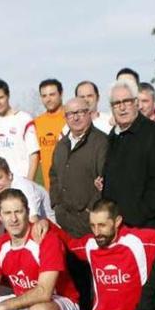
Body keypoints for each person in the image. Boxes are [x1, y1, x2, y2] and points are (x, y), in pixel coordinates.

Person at [101, 79, 155, 229]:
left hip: (146, 226)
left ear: (136, 102)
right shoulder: (112, 137)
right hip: (116, 228)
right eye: (117, 103)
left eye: (127, 101)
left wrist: (139, 215)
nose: (122, 108)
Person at [49, 97, 108, 238]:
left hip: (90, 224)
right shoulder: (61, 145)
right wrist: (56, 205)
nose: (75, 118)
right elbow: (54, 176)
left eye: (80, 112)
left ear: (89, 113)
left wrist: (90, 211)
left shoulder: (101, 142)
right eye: (70, 114)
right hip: (64, 221)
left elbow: (105, 181)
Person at [0, 156, 54, 239]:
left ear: (10, 175)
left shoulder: (24, 188)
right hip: (18, 229)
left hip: (48, 231)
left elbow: (33, 223)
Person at [0, 78, 40, 181]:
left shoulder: (24, 119)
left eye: (0, 97)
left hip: (20, 179)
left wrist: (29, 182)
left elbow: (34, 154)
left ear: (8, 96)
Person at [33, 78, 67, 190]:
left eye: (52, 94)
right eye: (44, 96)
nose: (48, 99)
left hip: (73, 187)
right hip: (50, 190)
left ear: (61, 94)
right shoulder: (37, 123)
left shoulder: (71, 118)